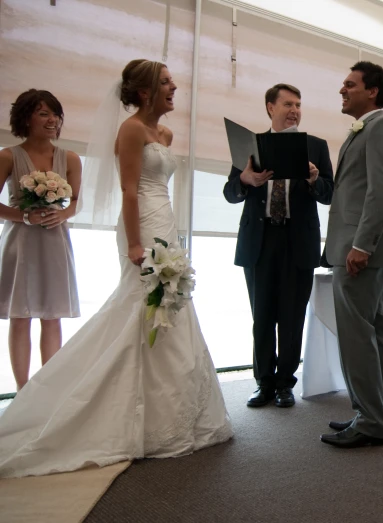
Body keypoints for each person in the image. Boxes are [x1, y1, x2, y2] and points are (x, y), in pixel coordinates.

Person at [0, 59, 232, 478]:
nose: (174, 86)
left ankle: (175, 410)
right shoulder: (131, 130)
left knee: (172, 304)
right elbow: (128, 189)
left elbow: (160, 184)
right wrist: (135, 242)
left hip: (166, 221)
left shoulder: (165, 133)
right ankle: (72, 397)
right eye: (165, 82)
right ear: (144, 91)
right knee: (140, 306)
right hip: (140, 223)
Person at [223, 83, 333, 409]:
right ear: (270, 107)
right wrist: (246, 180)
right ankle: (263, 383)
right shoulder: (250, 145)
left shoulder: (315, 146)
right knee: (262, 316)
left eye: (298, 104)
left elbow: (331, 193)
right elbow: (230, 192)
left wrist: (314, 180)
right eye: (287, 104)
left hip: (298, 239)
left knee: (292, 315)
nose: (294, 110)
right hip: (260, 239)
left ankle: (286, 383)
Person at [320, 61, 383, 449]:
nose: (342, 89)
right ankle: (375, 414)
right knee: (373, 331)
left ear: (372, 91)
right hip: (353, 243)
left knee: (358, 335)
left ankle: (370, 419)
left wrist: (361, 245)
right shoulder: (362, 130)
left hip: (359, 247)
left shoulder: (382, 127)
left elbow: (381, 190)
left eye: (349, 84)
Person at [0, 90, 82, 391]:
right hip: (20, 242)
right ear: (26, 117)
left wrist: (63, 215)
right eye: (43, 113)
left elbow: (74, 203)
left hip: (55, 241)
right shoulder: (8, 156)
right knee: (20, 315)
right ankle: (22, 392)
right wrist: (23, 216)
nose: (52, 120)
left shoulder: (70, 158)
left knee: (52, 314)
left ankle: (48, 392)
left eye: (55, 113)